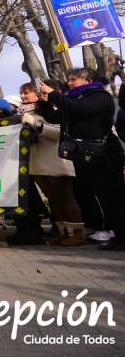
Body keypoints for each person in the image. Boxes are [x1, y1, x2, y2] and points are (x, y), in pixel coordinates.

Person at [39, 69, 125, 251]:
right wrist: (45, 102)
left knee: (113, 196)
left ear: (88, 80)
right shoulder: (73, 99)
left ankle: (120, 233)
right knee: (102, 196)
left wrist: (54, 94)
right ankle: (118, 234)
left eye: (73, 80)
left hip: (105, 154)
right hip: (86, 154)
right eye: (68, 80)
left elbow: (79, 110)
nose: (69, 83)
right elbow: (56, 117)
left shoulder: (99, 96)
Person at [15, 82, 83, 246]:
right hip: (35, 160)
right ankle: (62, 233)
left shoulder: (49, 109)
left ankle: (77, 234)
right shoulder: (19, 113)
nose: (24, 96)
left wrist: (35, 123)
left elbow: (58, 133)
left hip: (54, 158)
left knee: (65, 197)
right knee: (52, 199)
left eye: (27, 92)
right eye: (22, 93)